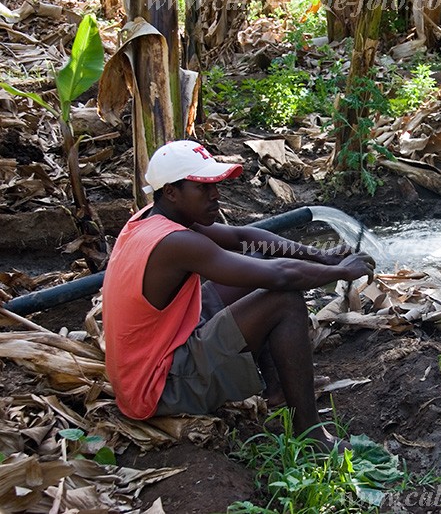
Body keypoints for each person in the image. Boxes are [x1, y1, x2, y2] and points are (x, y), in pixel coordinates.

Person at [102, 140, 374, 451]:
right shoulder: (176, 242)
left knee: (257, 264)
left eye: (214, 185)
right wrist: (340, 272)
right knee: (284, 300)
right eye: (203, 188)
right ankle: (312, 437)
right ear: (172, 192)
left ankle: (278, 391)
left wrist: (318, 255)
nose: (215, 194)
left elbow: (244, 237)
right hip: (160, 388)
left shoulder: (154, 217)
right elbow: (280, 276)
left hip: (150, 362)